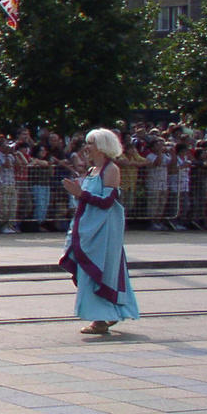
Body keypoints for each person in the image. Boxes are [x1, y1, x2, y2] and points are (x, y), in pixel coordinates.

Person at [59, 129, 140, 336]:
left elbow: (106, 202)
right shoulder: (93, 170)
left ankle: (101, 318)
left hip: (103, 230)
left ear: (103, 146)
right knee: (84, 268)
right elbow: (89, 198)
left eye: (91, 143)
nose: (87, 147)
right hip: (87, 227)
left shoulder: (111, 169)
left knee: (102, 270)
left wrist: (81, 193)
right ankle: (105, 313)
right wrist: (79, 192)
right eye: (87, 143)